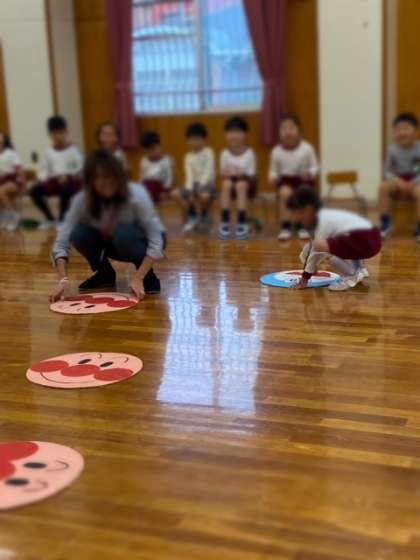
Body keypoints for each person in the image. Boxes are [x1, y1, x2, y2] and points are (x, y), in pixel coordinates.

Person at [49, 150, 166, 303]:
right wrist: (62, 280)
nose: (105, 182)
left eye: (110, 175)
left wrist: (138, 277)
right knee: (78, 233)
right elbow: (62, 241)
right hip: (111, 240)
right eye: (98, 177)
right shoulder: (82, 200)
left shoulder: (137, 194)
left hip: (139, 240)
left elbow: (156, 239)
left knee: (123, 233)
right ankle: (105, 273)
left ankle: (147, 276)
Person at [287, 186, 381, 291]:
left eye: (296, 212)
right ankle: (360, 268)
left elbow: (316, 252)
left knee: (322, 247)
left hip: (367, 244)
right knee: (327, 242)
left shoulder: (321, 222)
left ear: (308, 209)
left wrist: (304, 280)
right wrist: (308, 262)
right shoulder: (323, 215)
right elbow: (311, 247)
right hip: (372, 239)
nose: (295, 217)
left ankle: (352, 274)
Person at [269, 114, 319, 241]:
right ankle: (285, 227)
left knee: (304, 193)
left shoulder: (307, 148)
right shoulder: (276, 151)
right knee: (284, 192)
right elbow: (273, 170)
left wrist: (310, 173)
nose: (288, 132)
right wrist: (272, 177)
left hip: (304, 180)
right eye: (284, 128)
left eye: (291, 128)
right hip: (286, 181)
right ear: (279, 133)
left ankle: (302, 226)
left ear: (299, 132)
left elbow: (315, 167)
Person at [30, 115, 83, 228]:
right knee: (34, 191)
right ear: (50, 135)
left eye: (60, 132)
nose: (57, 136)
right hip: (54, 181)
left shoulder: (73, 151)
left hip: (71, 181)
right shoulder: (48, 152)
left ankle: (63, 219)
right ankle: (50, 218)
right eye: (54, 133)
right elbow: (45, 169)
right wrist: (40, 179)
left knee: (65, 190)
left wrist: (67, 176)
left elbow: (79, 168)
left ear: (66, 132)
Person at [379, 112, 420, 241]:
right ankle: (385, 224)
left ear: (416, 130)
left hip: (416, 182)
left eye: (406, 128)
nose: (402, 132)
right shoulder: (392, 149)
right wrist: (396, 180)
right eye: (398, 129)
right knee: (383, 187)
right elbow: (387, 171)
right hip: (398, 181)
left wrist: (414, 181)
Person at [219, 116, 257, 240]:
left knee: (241, 185)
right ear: (226, 135)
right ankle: (225, 221)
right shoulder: (224, 153)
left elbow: (251, 174)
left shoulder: (249, 153)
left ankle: (241, 221)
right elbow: (223, 173)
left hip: (247, 184)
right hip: (231, 183)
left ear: (245, 135)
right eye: (231, 132)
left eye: (237, 132)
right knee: (226, 184)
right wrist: (229, 173)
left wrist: (240, 173)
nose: (234, 136)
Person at [182, 122, 216, 233]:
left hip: (207, 184)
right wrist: (190, 190)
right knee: (182, 195)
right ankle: (193, 217)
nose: (194, 142)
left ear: (204, 139)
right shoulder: (188, 156)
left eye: (197, 139)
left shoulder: (209, 152)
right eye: (191, 139)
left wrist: (199, 188)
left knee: (204, 196)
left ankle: (204, 216)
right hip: (194, 184)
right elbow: (189, 175)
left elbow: (208, 171)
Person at [139, 131, 175, 204]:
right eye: (147, 151)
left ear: (160, 146)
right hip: (148, 187)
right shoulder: (143, 161)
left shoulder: (167, 160)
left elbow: (169, 178)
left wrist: (166, 191)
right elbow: (142, 177)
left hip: (162, 188)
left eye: (153, 149)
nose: (151, 153)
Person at [0, 132, 25, 231]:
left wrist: (23, 185)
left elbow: (19, 170)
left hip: (13, 181)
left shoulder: (11, 154)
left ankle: (14, 218)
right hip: (1, 181)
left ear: (4, 139)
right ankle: (5, 218)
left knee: (1, 191)